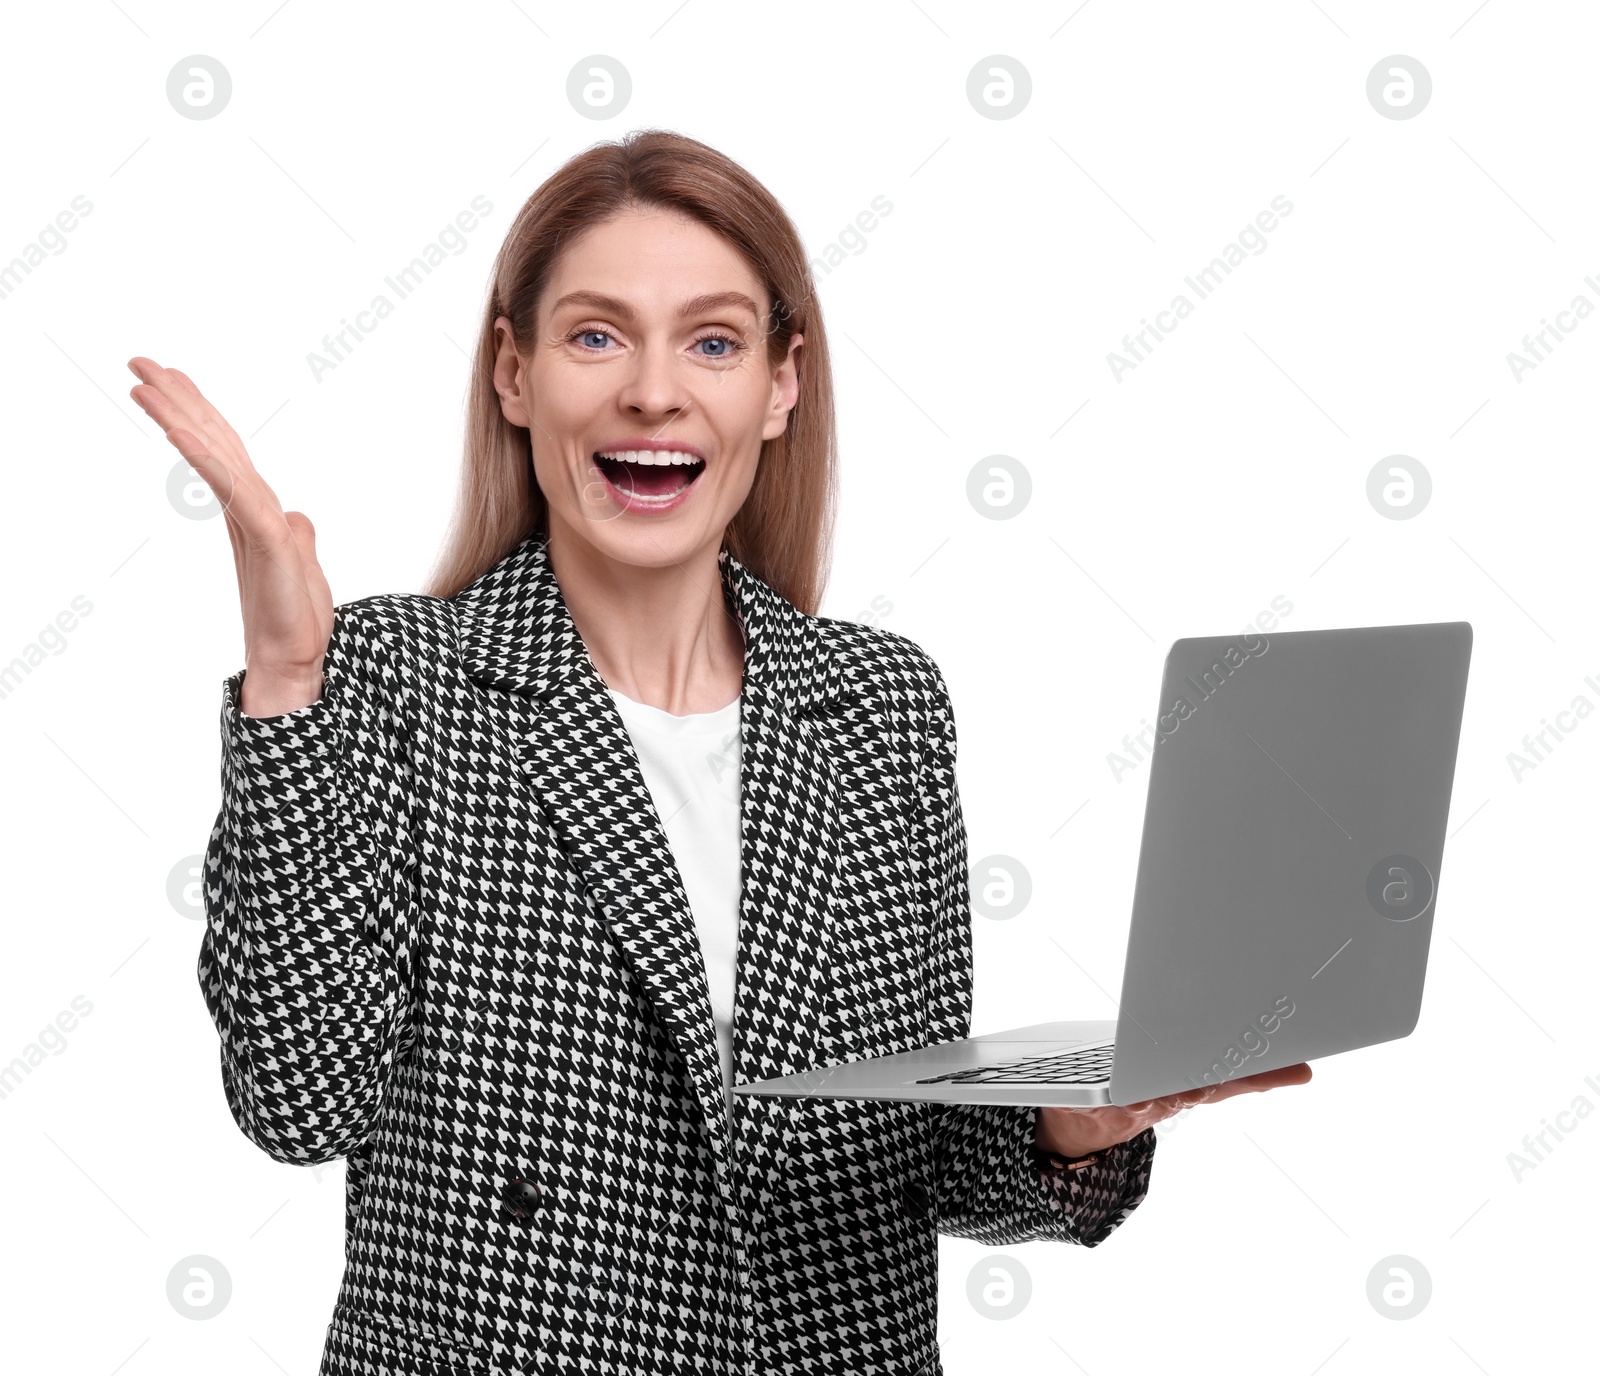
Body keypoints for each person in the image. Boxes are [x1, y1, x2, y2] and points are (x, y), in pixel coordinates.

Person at [135, 128, 1309, 1376]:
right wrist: (286, 684)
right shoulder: (392, 675)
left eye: (712, 340)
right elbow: (297, 1098)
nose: (654, 390)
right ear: (513, 372)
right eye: (595, 335)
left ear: (780, 382)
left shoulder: (882, 703)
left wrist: (1078, 1122)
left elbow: (907, 1162)